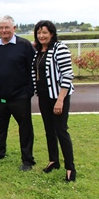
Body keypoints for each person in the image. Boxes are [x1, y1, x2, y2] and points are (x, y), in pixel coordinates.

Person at [0, 15, 36, 171]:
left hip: (20, 97)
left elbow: (32, 70)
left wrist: (29, 91)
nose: (4, 30)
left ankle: (28, 160)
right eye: (1, 28)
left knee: (25, 128)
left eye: (7, 27)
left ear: (14, 28)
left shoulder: (24, 45)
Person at [32, 20, 76, 182]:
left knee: (61, 131)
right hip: (44, 96)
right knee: (49, 130)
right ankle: (53, 160)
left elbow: (67, 75)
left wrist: (60, 100)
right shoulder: (39, 51)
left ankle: (70, 168)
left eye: (45, 32)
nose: (42, 35)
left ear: (52, 33)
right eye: (39, 32)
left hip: (58, 97)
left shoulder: (60, 48)